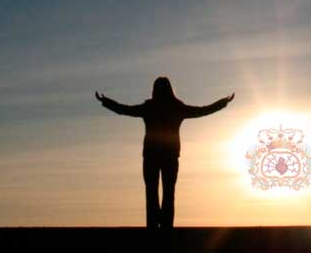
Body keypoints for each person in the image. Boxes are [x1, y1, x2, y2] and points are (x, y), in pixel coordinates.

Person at [95, 76, 235, 230]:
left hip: (153, 156)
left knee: (153, 193)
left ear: (154, 90)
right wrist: (222, 103)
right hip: (167, 157)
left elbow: (125, 110)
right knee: (167, 193)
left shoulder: (152, 107)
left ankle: (154, 227)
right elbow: (202, 111)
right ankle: (166, 227)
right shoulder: (175, 108)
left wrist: (106, 102)